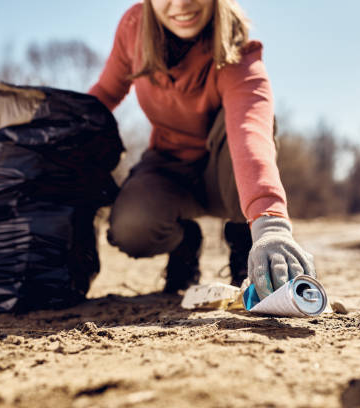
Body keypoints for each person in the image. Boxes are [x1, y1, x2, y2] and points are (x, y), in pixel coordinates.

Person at [88, 0, 315, 300]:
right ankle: (185, 242)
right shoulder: (134, 28)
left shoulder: (238, 51)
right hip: (169, 166)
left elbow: (251, 134)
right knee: (130, 228)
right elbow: (104, 95)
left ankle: (244, 241)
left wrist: (271, 225)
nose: (181, 4)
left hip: (227, 170)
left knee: (248, 131)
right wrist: (57, 128)